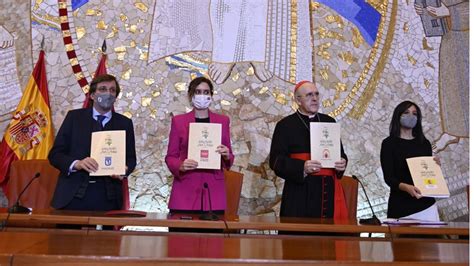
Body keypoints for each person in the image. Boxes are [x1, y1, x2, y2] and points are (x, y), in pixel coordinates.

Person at [49, 74, 136, 211]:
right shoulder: (74, 118)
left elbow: (131, 159)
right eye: (103, 89)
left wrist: (124, 170)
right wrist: (77, 164)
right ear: (92, 95)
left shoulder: (124, 123)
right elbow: (55, 155)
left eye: (112, 90)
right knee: (64, 233)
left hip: (109, 198)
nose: (108, 93)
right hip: (72, 196)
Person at [269, 81, 348, 220]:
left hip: (326, 191)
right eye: (309, 95)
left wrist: (342, 162)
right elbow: (276, 161)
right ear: (298, 100)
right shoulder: (285, 125)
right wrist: (302, 167)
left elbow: (340, 154)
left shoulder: (329, 121)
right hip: (298, 193)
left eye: (317, 94)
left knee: (327, 239)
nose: (315, 98)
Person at [165, 76, 234, 219]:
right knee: (182, 240)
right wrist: (181, 165)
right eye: (198, 92)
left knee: (213, 241)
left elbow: (229, 156)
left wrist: (227, 155)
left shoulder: (223, 121)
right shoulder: (178, 122)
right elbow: (170, 157)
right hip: (185, 191)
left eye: (206, 92)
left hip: (213, 194)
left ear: (211, 95)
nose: (202, 95)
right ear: (191, 95)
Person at [381, 101, 440, 221]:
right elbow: (389, 178)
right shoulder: (389, 144)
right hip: (401, 206)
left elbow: (428, 174)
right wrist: (406, 187)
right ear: (398, 116)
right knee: (403, 240)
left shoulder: (424, 143)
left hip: (426, 205)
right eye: (406, 113)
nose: (411, 116)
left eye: (415, 114)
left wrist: (436, 167)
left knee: (432, 240)